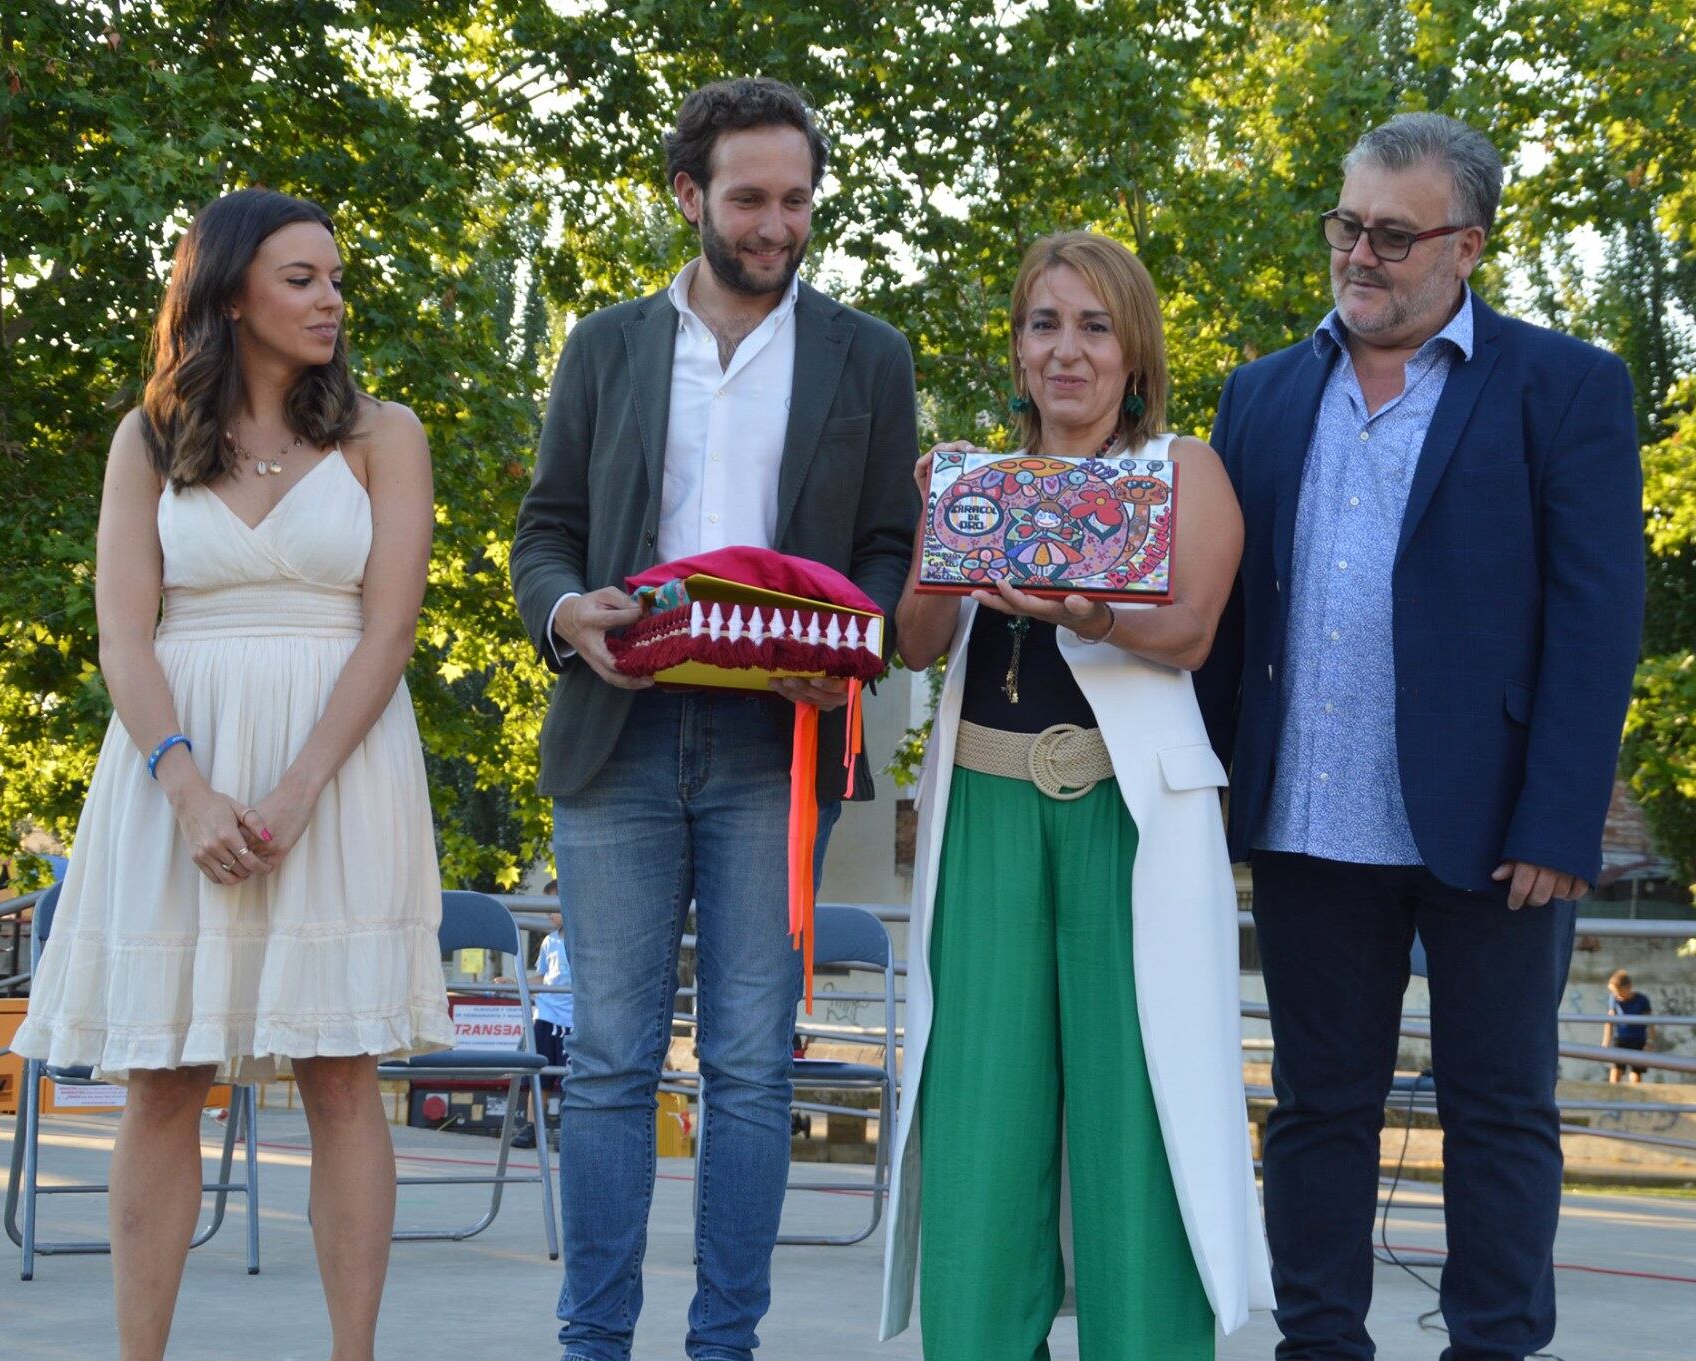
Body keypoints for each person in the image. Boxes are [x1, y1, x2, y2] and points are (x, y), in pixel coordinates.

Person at [1197, 111, 1645, 1361]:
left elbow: (1596, 617)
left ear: (1467, 246)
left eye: (1392, 235)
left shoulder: (1565, 387)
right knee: (1314, 1109)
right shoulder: (1260, 394)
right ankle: (1317, 1343)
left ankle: (1492, 1342)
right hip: (1305, 821)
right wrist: (1201, 800)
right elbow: (1223, 621)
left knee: (1498, 1110)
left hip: (1497, 833)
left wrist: (1559, 816)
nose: (1359, 254)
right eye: (1346, 225)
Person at [509, 77, 918, 1361]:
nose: (776, 224)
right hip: (617, 730)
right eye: (749, 199)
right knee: (610, 1058)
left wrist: (851, 650)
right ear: (687, 195)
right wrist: (566, 611)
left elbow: (889, 544)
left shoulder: (868, 354)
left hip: (776, 747)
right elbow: (545, 529)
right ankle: (593, 1342)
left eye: (796, 200)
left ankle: (722, 1343)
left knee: (750, 1062)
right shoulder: (604, 346)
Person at [11, 188, 454, 1361]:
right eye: (301, 278)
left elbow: (390, 630)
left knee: (340, 1072)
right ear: (229, 295)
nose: (330, 299)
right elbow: (124, 635)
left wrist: (301, 785)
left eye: (336, 278)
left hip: (341, 770)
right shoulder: (148, 439)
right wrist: (188, 789)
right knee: (164, 1073)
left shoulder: (385, 434)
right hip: (175, 772)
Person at [882, 231, 1271, 1360]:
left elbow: (1190, 632)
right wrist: (940, 524)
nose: (1067, 349)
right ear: (1016, 349)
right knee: (979, 1107)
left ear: (1133, 352)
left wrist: (1087, 612)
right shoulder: (976, 481)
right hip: (987, 810)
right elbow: (915, 644)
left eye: (1095, 326)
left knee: (1137, 1108)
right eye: (1044, 324)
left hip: (1130, 819)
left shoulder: (1182, 471)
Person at [505, 904, 574, 1149]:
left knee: (571, 1078)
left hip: (573, 1020)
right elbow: (544, 977)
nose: (548, 912)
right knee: (538, 1074)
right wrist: (516, 982)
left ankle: (571, 1130)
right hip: (546, 1014)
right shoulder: (549, 941)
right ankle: (533, 1127)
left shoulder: (584, 941)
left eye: (554, 906)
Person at [1604, 969, 1654, 1082]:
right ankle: (1613, 1091)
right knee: (1615, 1070)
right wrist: (1606, 1042)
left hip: (1638, 1040)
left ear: (1628, 987)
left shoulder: (1642, 1000)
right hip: (1620, 1039)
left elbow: (1651, 1022)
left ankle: (1635, 1092)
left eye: (1618, 991)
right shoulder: (1614, 999)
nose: (1616, 995)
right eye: (1613, 992)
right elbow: (1609, 1021)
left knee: (1636, 1073)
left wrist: (1650, 1041)